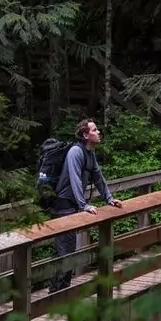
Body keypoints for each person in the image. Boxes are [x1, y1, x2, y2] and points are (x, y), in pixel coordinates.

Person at [48, 118, 122, 293]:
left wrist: (109, 198)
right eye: (95, 130)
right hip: (63, 206)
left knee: (64, 251)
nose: (98, 132)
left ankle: (57, 292)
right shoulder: (76, 152)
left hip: (71, 206)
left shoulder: (90, 153)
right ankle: (57, 294)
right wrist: (84, 205)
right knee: (66, 253)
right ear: (85, 134)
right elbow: (74, 179)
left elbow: (98, 177)